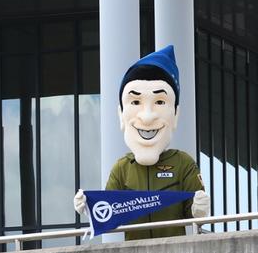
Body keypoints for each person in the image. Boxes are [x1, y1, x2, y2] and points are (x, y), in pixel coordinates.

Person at [73, 45, 210, 240]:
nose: (146, 117)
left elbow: (194, 215)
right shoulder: (122, 167)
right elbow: (110, 211)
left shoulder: (183, 163)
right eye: (135, 102)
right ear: (121, 114)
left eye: (160, 102)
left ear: (175, 115)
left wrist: (199, 209)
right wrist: (89, 205)